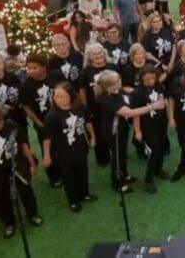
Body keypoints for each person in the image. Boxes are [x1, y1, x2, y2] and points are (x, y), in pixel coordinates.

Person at [0, 102, 43, 238]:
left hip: (17, 164)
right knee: (1, 198)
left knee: (26, 190)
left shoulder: (13, 126)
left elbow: (23, 145)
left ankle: (33, 215)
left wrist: (31, 163)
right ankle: (9, 223)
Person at [94, 70, 162, 192]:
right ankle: (118, 184)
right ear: (108, 86)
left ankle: (124, 175)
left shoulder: (118, 90)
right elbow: (130, 113)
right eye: (116, 82)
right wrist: (153, 106)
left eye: (118, 79)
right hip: (113, 131)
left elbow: (126, 92)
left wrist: (137, 90)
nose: (119, 82)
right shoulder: (106, 99)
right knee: (118, 157)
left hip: (122, 127)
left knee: (122, 153)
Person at [42, 83, 96, 212]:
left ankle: (85, 194)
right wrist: (47, 155)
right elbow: (47, 138)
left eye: (63, 96)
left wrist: (93, 136)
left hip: (81, 148)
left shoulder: (80, 108)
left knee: (83, 172)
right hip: (63, 153)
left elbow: (87, 122)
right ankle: (74, 201)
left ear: (71, 96)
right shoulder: (52, 116)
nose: (59, 99)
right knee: (68, 177)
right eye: (56, 96)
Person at [20, 54, 62, 186]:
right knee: (47, 149)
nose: (31, 71)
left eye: (35, 67)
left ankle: (65, 172)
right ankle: (54, 177)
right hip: (42, 122)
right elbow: (26, 107)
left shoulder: (56, 76)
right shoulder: (26, 85)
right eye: (29, 68)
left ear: (44, 67)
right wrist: (39, 123)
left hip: (60, 118)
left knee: (62, 145)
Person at [77, 43, 120, 166]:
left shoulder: (113, 66)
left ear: (104, 52)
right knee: (99, 133)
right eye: (94, 54)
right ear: (89, 57)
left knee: (115, 130)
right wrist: (85, 109)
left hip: (113, 106)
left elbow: (119, 85)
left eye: (100, 52)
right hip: (95, 108)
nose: (98, 56)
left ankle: (117, 152)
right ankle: (103, 158)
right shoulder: (86, 72)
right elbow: (82, 92)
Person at [132, 66, 169, 194]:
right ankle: (149, 179)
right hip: (147, 126)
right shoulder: (137, 92)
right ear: (141, 78)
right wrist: (137, 131)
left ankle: (159, 170)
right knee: (154, 151)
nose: (151, 80)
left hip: (161, 123)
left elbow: (165, 101)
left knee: (162, 148)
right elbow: (135, 114)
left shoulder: (159, 86)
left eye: (153, 78)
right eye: (147, 79)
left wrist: (169, 118)